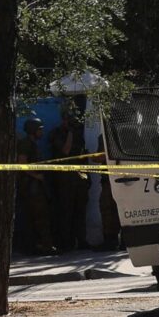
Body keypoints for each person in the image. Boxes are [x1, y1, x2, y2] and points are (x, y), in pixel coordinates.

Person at [49, 107, 90, 252]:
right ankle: (66, 242)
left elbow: (83, 155)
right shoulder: (57, 134)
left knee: (81, 211)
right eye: (68, 119)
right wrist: (70, 133)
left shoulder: (79, 134)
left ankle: (82, 240)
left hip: (78, 178)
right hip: (64, 180)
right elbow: (65, 150)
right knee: (66, 212)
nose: (71, 122)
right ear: (63, 120)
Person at [16, 117, 56, 255]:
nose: (41, 133)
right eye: (39, 130)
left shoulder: (32, 143)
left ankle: (39, 245)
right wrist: (36, 176)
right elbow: (22, 163)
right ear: (33, 130)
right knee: (39, 217)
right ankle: (44, 246)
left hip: (36, 187)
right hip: (31, 187)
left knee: (38, 217)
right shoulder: (26, 144)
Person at [93, 134, 120, 251]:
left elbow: (102, 157)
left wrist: (93, 157)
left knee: (107, 209)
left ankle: (110, 240)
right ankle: (120, 241)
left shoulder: (106, 135)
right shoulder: (127, 132)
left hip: (110, 179)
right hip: (120, 177)